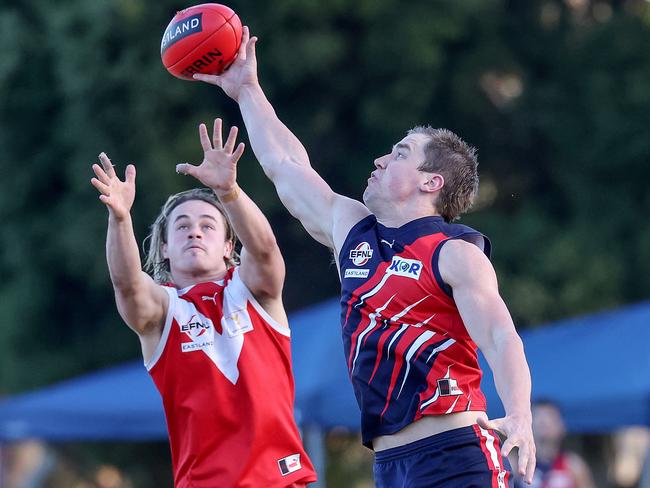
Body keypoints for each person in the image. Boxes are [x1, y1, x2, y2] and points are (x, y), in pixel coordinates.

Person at [194, 26, 537, 487]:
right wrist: (247, 91)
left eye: (399, 154)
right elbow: (287, 166)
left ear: (430, 182)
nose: (379, 160)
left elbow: (500, 336)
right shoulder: (352, 230)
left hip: (455, 454)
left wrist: (519, 414)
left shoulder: (455, 253)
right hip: (390, 467)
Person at [90, 119, 317, 488]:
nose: (194, 230)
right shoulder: (163, 311)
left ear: (229, 246)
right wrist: (120, 218)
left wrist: (228, 191)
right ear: (164, 247)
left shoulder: (252, 289)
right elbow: (127, 286)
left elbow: (265, 250)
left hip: (281, 479)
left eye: (208, 225)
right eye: (181, 226)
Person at [514, 400, 595, 488]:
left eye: (550, 417)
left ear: (562, 426)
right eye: (537, 417)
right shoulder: (516, 465)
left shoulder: (574, 466)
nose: (543, 422)